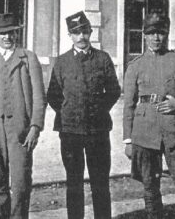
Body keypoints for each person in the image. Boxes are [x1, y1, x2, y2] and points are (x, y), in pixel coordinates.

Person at [123, 12, 175, 219]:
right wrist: (128, 139)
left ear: (167, 34)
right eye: (151, 33)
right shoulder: (135, 66)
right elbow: (129, 106)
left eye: (160, 33)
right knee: (150, 186)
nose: (156, 38)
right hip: (144, 133)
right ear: (144, 36)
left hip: (173, 132)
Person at [47, 11, 121, 219]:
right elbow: (53, 95)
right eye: (76, 33)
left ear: (90, 32)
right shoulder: (61, 62)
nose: (82, 37)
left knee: (100, 181)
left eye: (85, 31)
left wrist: (99, 110)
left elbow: (114, 91)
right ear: (70, 35)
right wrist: (68, 111)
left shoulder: (102, 59)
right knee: (74, 182)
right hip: (70, 131)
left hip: (98, 130)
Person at [0, 13, 46, 219]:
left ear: (16, 33)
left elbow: (40, 97)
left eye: (11, 32)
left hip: (20, 130)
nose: (7, 37)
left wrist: (35, 128)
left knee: (21, 183)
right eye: (2, 33)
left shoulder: (28, 58)